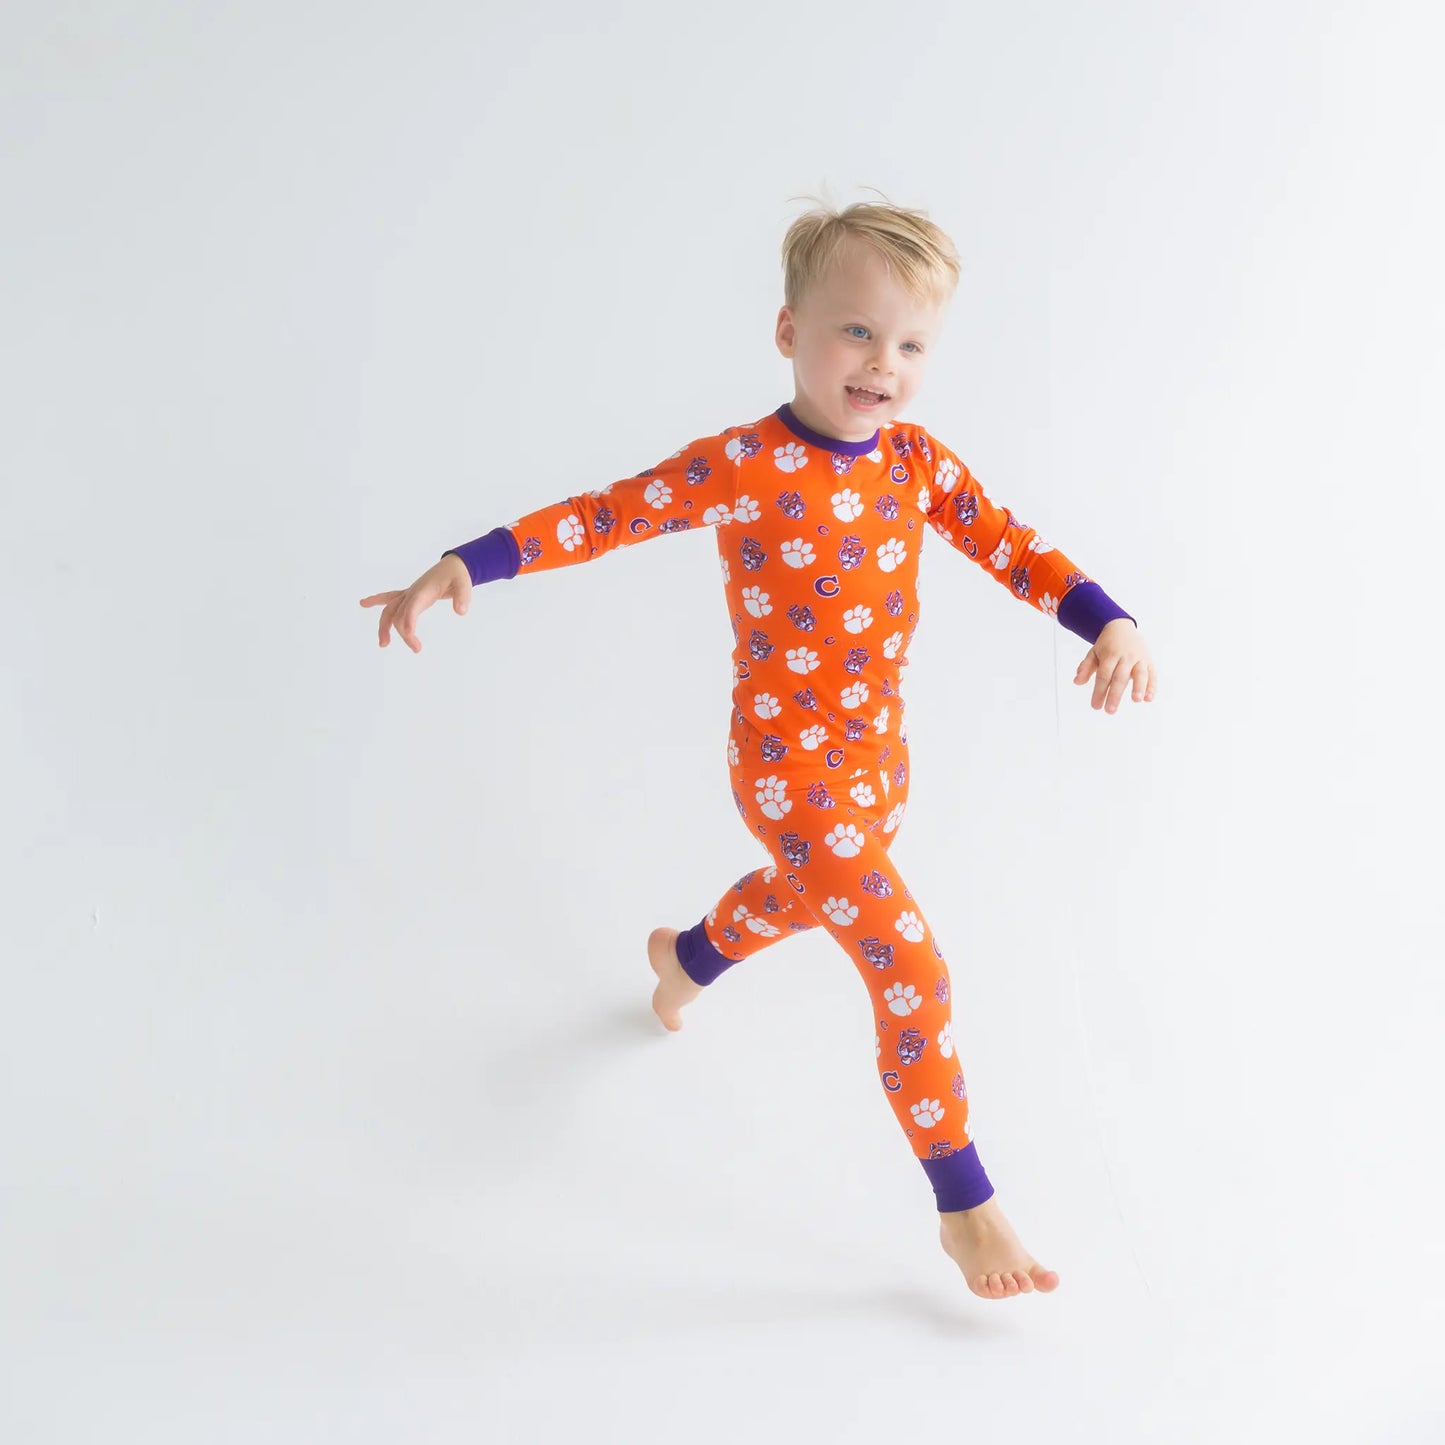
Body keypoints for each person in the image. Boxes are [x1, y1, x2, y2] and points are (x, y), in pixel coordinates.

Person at [360, 198, 1158, 1301]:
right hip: (786, 770)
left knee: (801, 895)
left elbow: (1011, 545)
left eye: (910, 343)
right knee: (910, 967)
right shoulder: (741, 464)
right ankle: (964, 1204)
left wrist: (1103, 617)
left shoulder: (916, 464)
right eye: (856, 332)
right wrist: (473, 560)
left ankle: (682, 958)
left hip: (880, 762)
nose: (881, 363)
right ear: (788, 333)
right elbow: (605, 513)